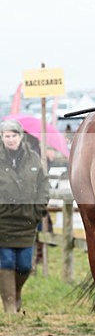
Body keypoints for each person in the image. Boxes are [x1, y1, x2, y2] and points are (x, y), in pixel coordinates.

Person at [0, 120, 49, 313]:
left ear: (21, 137)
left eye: (14, 135)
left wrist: (37, 210)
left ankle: (15, 293)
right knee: (6, 263)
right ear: (2, 138)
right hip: (3, 222)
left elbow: (43, 186)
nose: (10, 139)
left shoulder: (34, 158)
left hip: (28, 221)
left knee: (24, 265)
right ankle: (10, 307)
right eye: (6, 136)